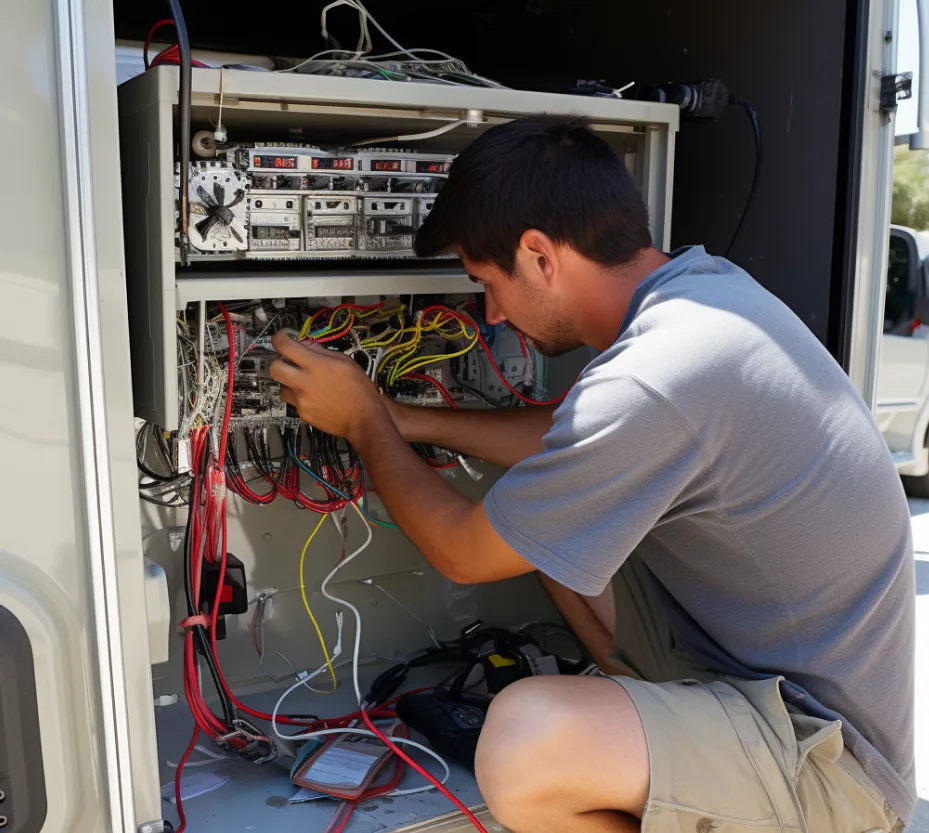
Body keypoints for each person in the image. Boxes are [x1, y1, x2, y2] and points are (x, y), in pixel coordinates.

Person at [270, 115, 915, 833]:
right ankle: (655, 747)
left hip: (830, 768)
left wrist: (365, 423)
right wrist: (402, 417)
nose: (492, 313)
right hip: (759, 679)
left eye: (488, 282)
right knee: (545, 522)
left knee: (524, 740)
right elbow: (569, 441)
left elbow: (462, 552)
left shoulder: (656, 373)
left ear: (539, 254)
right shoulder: (701, 291)